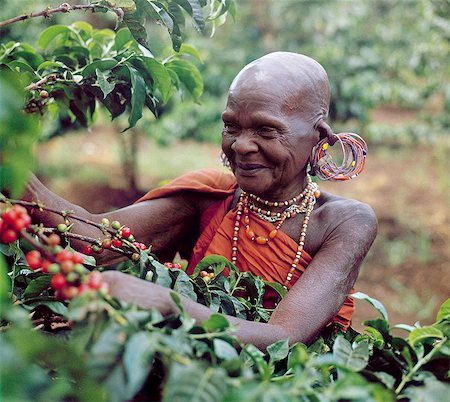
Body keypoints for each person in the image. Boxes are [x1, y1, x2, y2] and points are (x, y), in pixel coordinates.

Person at [24, 52, 377, 350]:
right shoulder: (210, 197)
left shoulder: (345, 223)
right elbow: (99, 243)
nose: (240, 145)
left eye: (266, 130)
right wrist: (22, 183)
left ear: (319, 136)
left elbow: (283, 338)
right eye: (231, 127)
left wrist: (167, 303)